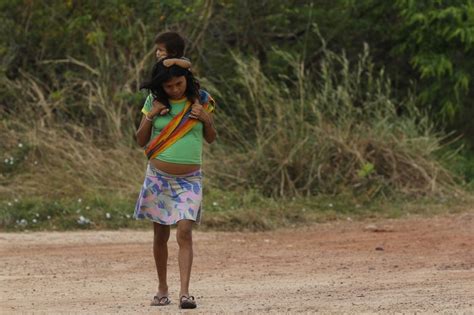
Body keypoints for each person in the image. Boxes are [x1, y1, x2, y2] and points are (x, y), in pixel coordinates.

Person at [134, 59, 216, 309]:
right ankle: (162, 289)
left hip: (190, 180)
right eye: (168, 86)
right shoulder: (154, 102)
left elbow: (211, 138)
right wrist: (151, 115)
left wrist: (206, 119)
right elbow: (140, 140)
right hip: (159, 178)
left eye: (179, 83)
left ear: (187, 80)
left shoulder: (200, 101)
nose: (175, 90)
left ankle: (185, 293)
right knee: (160, 234)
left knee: (184, 231)